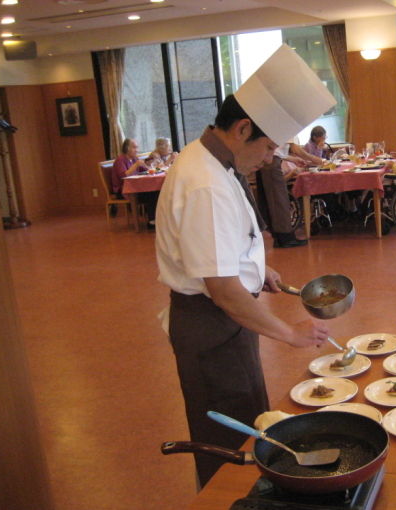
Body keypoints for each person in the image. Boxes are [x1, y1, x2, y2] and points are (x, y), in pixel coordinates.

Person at [154, 44, 336, 488]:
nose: (272, 157)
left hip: (225, 321)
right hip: (214, 324)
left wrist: (258, 270)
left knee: (247, 422)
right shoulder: (205, 184)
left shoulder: (211, 161)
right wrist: (291, 333)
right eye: (270, 145)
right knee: (229, 437)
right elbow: (223, 290)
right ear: (241, 128)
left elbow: (224, 252)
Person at [255, 140, 322, 248]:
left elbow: (278, 150)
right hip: (272, 162)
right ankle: (285, 237)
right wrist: (315, 159)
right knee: (279, 199)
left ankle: (276, 236)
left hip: (270, 159)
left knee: (270, 200)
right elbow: (293, 147)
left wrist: (292, 158)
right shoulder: (285, 125)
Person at [112, 138, 158, 229]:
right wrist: (136, 165)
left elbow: (144, 170)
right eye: (134, 147)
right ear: (126, 148)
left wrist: (149, 164)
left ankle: (155, 219)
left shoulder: (134, 159)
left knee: (156, 191)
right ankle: (151, 221)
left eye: (137, 147)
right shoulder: (120, 160)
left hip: (135, 187)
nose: (136, 150)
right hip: (123, 190)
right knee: (152, 193)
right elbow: (123, 176)